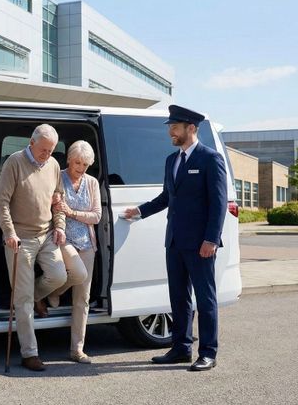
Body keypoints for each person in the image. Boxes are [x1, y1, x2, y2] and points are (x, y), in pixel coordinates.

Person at [124, 104, 227, 372]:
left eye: (175, 127)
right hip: (175, 241)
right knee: (178, 297)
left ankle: (207, 353)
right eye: (170, 126)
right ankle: (181, 348)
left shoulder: (210, 159)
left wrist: (211, 240)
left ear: (191, 128)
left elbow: (218, 204)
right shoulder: (172, 160)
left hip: (201, 243)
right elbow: (167, 197)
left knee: (205, 300)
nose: (171, 131)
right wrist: (140, 211)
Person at [0, 124, 68, 372]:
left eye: (51, 151)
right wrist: (10, 233)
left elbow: (59, 199)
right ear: (31, 142)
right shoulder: (14, 163)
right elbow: (1, 202)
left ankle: (37, 296)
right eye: (43, 150)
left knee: (59, 275)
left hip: (46, 234)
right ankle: (30, 353)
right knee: (22, 300)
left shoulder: (54, 165)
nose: (47, 155)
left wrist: (59, 226)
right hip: (21, 238)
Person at [47, 140, 101, 364]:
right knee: (77, 272)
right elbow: (54, 207)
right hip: (62, 237)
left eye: (85, 164)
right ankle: (55, 290)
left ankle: (77, 349)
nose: (80, 167)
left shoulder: (92, 183)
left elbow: (96, 216)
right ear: (69, 158)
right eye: (77, 162)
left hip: (87, 241)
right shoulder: (57, 176)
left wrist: (72, 212)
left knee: (83, 299)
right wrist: (65, 216)